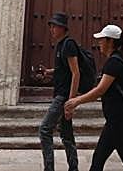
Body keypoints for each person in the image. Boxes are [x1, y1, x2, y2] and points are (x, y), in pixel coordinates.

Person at [64, 24, 123, 171]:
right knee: (106, 160)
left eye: (102, 39)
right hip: (118, 120)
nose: (99, 43)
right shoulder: (117, 59)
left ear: (110, 41)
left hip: (119, 121)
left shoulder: (114, 62)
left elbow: (100, 90)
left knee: (113, 161)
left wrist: (76, 101)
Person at [38, 12, 81, 171]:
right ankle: (73, 167)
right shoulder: (60, 45)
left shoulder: (68, 45)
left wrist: (71, 102)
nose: (51, 29)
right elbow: (64, 70)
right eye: (51, 26)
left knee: (44, 130)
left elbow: (76, 73)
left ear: (63, 28)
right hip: (61, 94)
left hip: (63, 96)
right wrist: (48, 72)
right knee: (66, 133)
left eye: (54, 26)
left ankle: (49, 168)